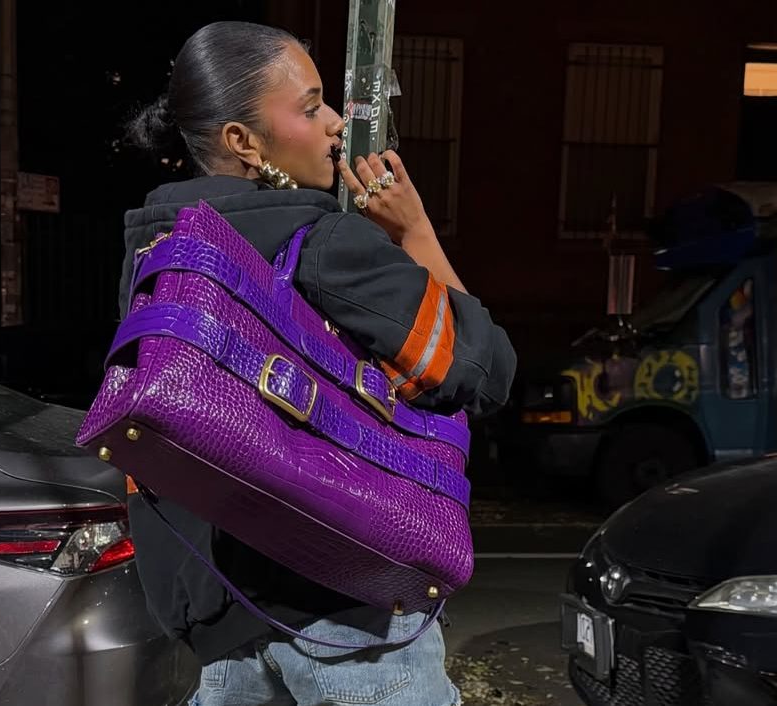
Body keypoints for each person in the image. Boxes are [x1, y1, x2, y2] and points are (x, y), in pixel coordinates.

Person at [121, 21, 516, 706]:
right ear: (244, 141)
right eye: (310, 108)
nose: (335, 123)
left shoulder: (155, 254)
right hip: (347, 613)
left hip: (216, 616)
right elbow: (485, 369)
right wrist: (414, 230)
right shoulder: (321, 243)